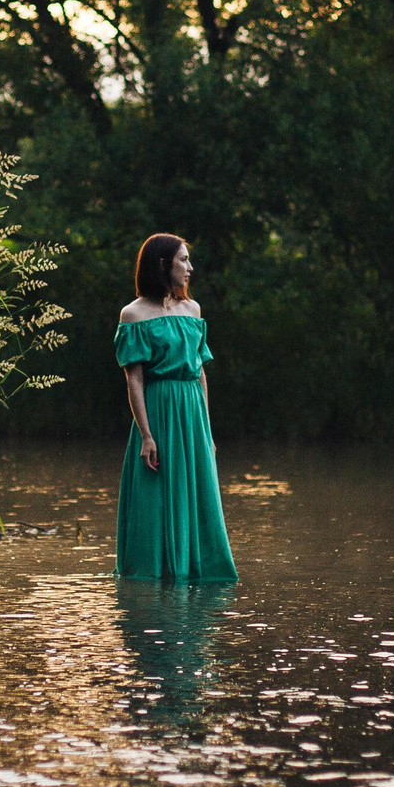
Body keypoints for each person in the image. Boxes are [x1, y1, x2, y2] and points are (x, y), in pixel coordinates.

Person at [113, 233, 238, 582]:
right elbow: (134, 380)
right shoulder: (133, 314)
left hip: (192, 412)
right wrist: (146, 435)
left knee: (199, 491)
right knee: (154, 494)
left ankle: (198, 569)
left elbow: (200, 374)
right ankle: (150, 575)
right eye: (184, 260)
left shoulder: (192, 311)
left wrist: (207, 432)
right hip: (157, 410)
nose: (190, 268)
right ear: (162, 264)